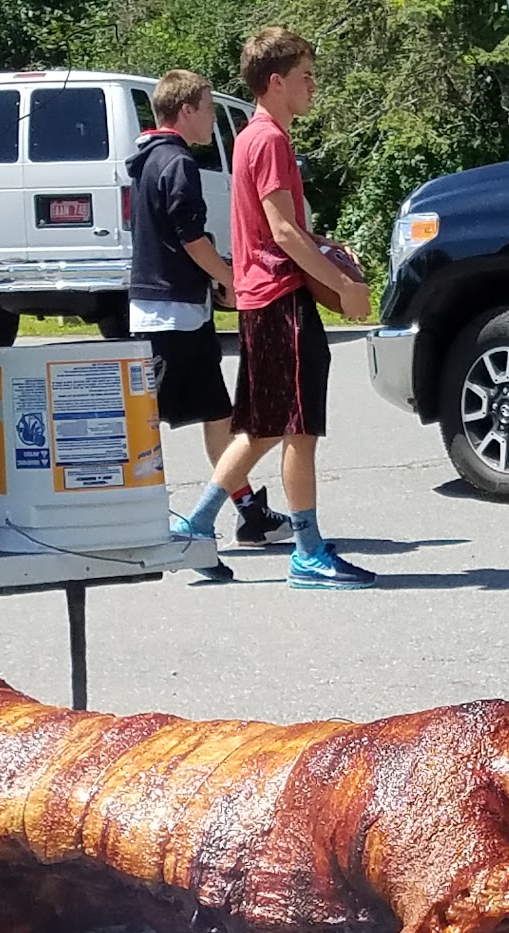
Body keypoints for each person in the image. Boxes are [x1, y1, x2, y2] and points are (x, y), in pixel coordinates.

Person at [171, 26, 376, 591]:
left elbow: (275, 228)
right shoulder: (270, 140)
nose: (314, 85)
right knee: (298, 430)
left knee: (263, 427)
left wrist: (326, 249)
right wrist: (344, 284)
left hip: (263, 299)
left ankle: (195, 524)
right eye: (306, 76)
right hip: (281, 301)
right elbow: (284, 231)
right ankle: (308, 553)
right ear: (277, 81)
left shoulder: (253, 138)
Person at [128, 69, 289, 563]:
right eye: (208, 108)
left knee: (216, 417)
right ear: (187, 110)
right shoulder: (177, 162)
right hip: (173, 315)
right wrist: (228, 279)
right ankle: (144, 519)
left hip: (161, 308)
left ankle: (249, 514)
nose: (213, 120)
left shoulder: (144, 159)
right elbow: (190, 236)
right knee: (153, 424)